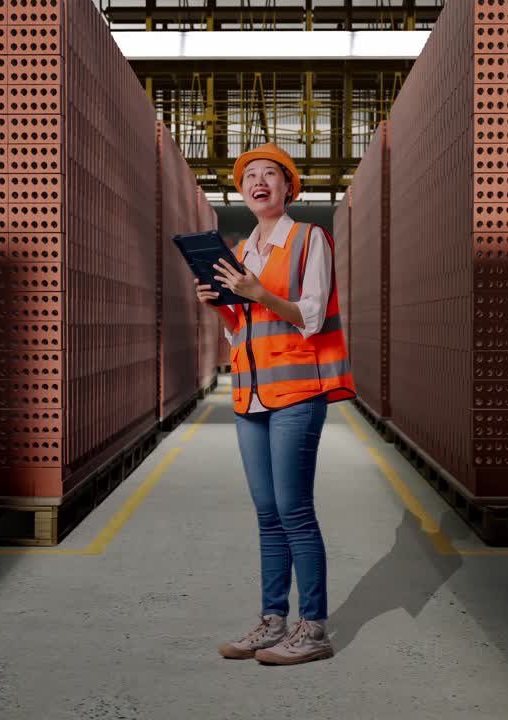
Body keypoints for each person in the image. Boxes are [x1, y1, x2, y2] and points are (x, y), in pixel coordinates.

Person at [192, 142, 356, 666]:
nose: (258, 182)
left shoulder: (310, 240)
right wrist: (222, 306)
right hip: (250, 394)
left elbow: (308, 316)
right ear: (242, 190)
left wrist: (257, 291)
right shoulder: (241, 251)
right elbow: (242, 333)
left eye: (270, 174)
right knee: (267, 514)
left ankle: (314, 628)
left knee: (295, 511)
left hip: (297, 393)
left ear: (289, 187)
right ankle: (273, 620)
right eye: (249, 176)